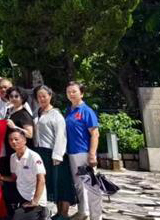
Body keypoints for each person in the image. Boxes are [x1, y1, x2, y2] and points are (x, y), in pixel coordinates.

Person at [34, 85, 75, 220]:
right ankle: (58, 213)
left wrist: (57, 155)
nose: (41, 98)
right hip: (41, 152)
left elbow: (61, 136)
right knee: (52, 183)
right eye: (39, 96)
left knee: (62, 183)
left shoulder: (56, 114)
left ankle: (64, 214)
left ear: (50, 96)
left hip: (55, 153)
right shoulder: (38, 112)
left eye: (44, 96)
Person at [65, 81, 101, 220]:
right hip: (71, 153)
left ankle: (96, 216)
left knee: (91, 186)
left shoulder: (87, 111)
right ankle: (82, 211)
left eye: (74, 91)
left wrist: (92, 154)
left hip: (84, 153)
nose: (71, 94)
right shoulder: (68, 111)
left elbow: (95, 134)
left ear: (82, 93)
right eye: (68, 92)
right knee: (78, 185)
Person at [0, 129, 48, 220]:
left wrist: (35, 201)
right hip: (20, 194)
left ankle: (43, 212)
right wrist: (0, 177)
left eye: (16, 139)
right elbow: (14, 178)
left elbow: (41, 179)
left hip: (33, 198)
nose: (13, 142)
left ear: (24, 140)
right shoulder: (13, 157)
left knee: (17, 218)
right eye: (10, 140)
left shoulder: (34, 157)